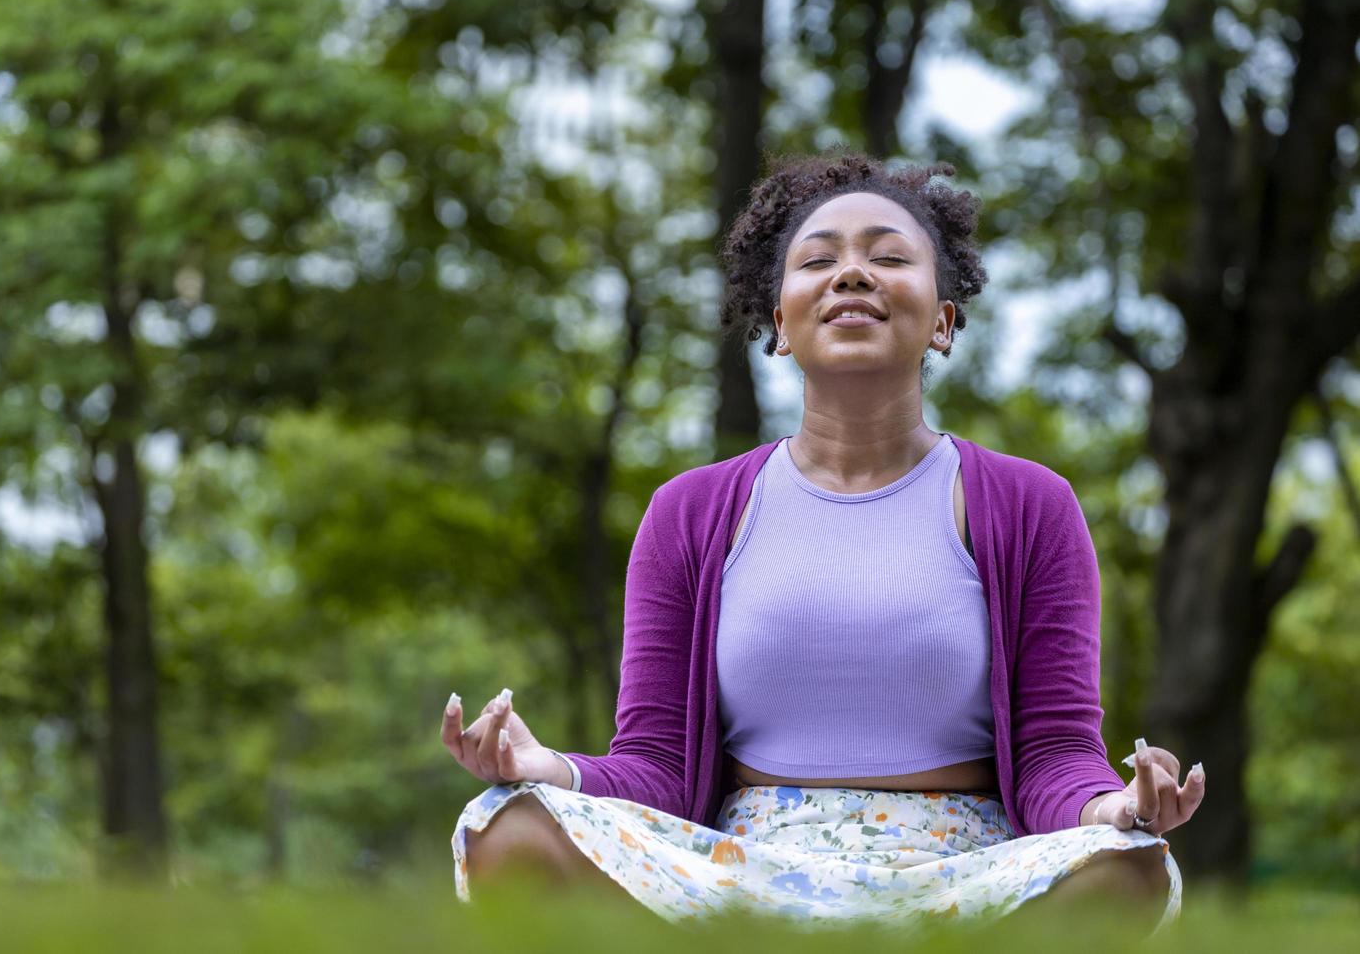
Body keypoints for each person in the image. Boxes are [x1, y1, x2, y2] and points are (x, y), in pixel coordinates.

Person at [440, 150, 1205, 933]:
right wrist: (549, 770)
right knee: (510, 822)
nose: (851, 274)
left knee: (1132, 865)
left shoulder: (1029, 505)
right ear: (780, 324)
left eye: (887, 256)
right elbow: (658, 766)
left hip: (963, 882)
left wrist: (1113, 805)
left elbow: (1052, 752)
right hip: (738, 875)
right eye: (819, 260)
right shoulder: (690, 511)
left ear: (942, 320)